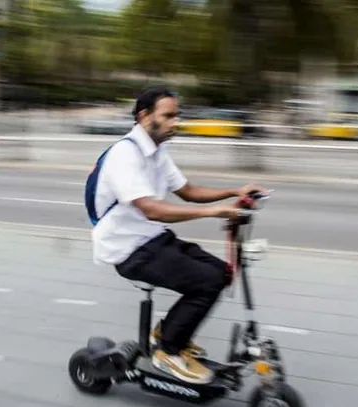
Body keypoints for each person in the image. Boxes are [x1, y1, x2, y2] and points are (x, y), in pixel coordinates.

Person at [90, 86, 266, 385]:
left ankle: (166, 334)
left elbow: (188, 192)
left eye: (177, 115)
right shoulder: (125, 154)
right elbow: (151, 209)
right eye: (168, 116)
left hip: (151, 239)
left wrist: (235, 192)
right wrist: (215, 213)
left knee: (221, 273)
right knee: (206, 282)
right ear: (145, 116)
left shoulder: (158, 151)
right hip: (129, 250)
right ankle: (169, 351)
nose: (176, 122)